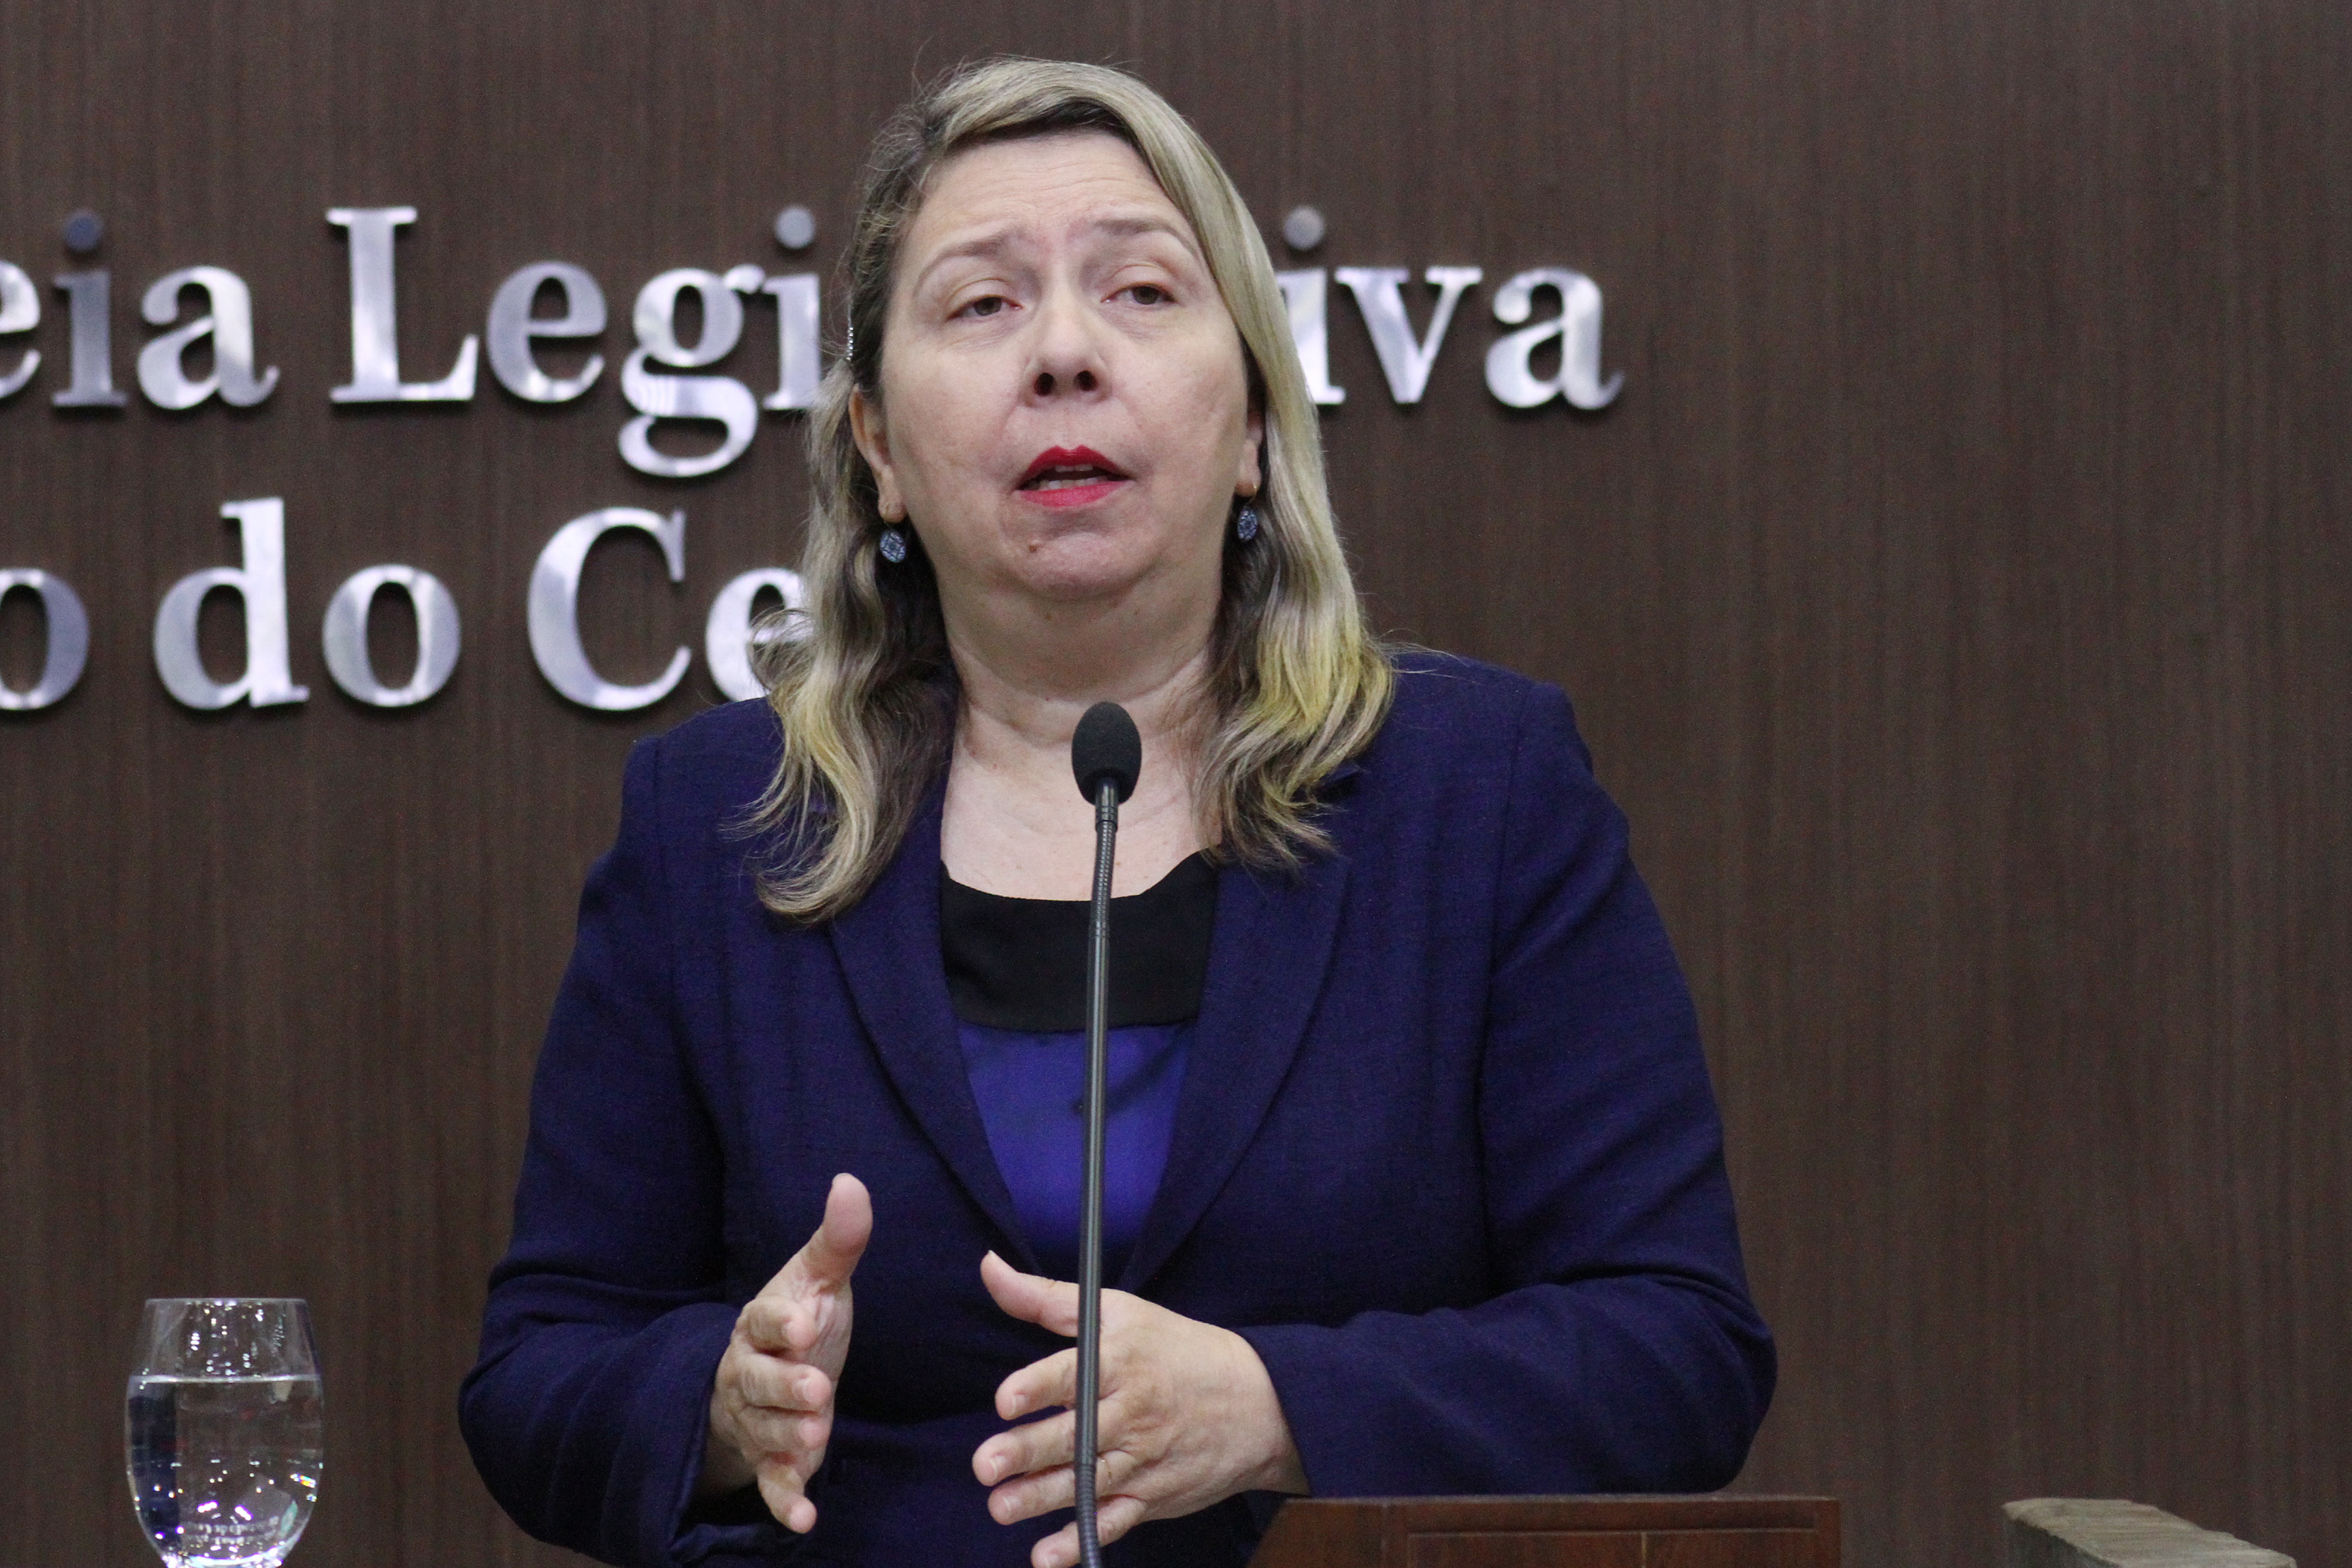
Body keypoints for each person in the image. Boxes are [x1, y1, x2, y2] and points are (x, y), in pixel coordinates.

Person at [459, 57, 1775, 1568]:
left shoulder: (1481, 796)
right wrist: (717, 1400)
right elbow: (537, 1374)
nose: (1065, 355)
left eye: (1141, 292)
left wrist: (1275, 1407)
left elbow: (1678, 1349)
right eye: (982, 304)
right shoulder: (720, 823)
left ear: (1256, 421)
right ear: (878, 448)